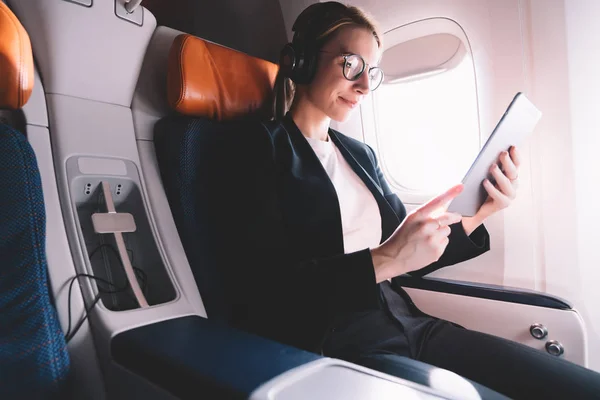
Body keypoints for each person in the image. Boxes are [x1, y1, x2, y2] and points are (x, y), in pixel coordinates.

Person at [203, 2, 600, 398]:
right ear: (302, 60)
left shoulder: (359, 155)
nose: (363, 86)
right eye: (351, 65)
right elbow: (265, 292)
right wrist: (386, 259)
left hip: (408, 323)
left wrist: (479, 213)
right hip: (338, 342)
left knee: (580, 387)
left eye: (370, 73)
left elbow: (407, 250)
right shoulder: (257, 148)